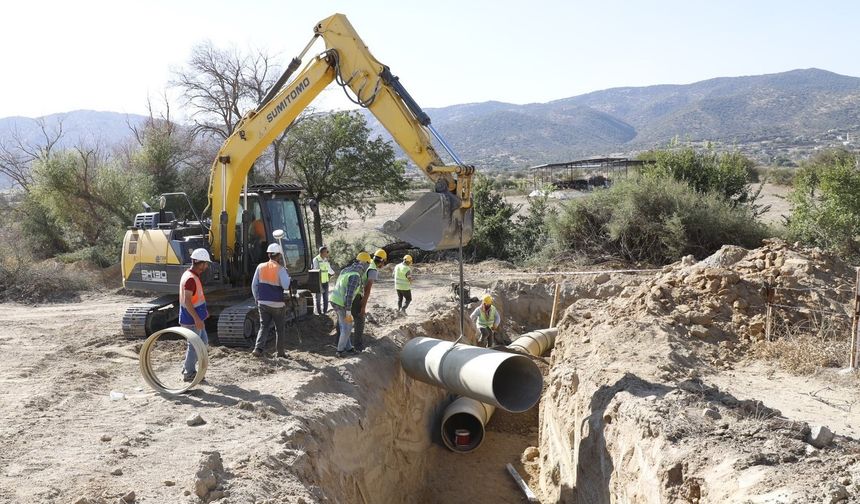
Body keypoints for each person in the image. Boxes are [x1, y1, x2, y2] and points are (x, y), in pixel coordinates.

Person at [251, 243, 292, 359]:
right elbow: (285, 286)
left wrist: (257, 299)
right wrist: (288, 277)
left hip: (263, 303)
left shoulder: (260, 267)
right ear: (279, 256)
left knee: (263, 326)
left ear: (269, 254)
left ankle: (258, 349)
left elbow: (254, 285)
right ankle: (280, 353)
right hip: (278, 304)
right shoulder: (281, 269)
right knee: (279, 329)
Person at [179, 248, 212, 382]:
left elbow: (196, 298)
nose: (207, 266)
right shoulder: (191, 279)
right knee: (194, 346)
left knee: (203, 342)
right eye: (206, 263)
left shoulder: (190, 275)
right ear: (201, 263)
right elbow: (187, 301)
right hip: (191, 319)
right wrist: (197, 319)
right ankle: (189, 373)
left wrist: (203, 313)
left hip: (196, 317)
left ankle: (187, 366)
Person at [331, 252, 372, 358]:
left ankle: (348, 348)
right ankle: (340, 351)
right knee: (347, 327)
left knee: (345, 326)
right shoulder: (355, 276)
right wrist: (348, 309)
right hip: (342, 304)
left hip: (335, 301)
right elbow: (349, 295)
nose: (368, 266)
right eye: (368, 263)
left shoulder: (346, 270)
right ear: (364, 263)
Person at [352, 248, 386, 352]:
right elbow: (367, 289)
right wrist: (363, 306)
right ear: (382, 261)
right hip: (355, 294)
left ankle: (340, 341)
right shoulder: (373, 270)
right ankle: (357, 346)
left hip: (349, 291)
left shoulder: (369, 264)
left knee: (345, 318)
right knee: (360, 319)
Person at [312, 246, 335, 315]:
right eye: (326, 252)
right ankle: (319, 313)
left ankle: (325, 312)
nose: (327, 253)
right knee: (318, 298)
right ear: (322, 252)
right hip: (319, 282)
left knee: (326, 297)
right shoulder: (316, 259)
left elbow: (329, 268)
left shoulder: (325, 260)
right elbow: (315, 270)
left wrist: (333, 273)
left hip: (326, 281)